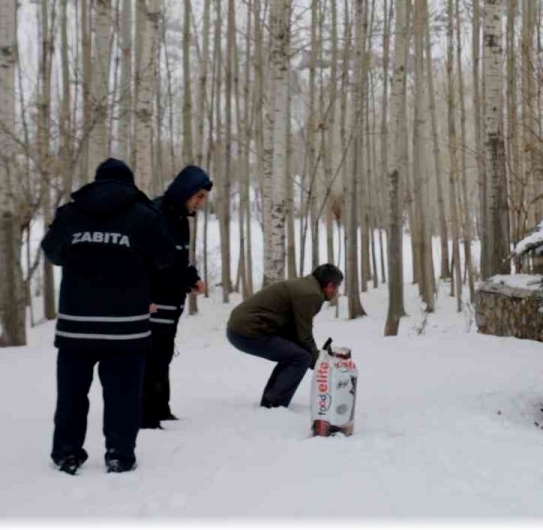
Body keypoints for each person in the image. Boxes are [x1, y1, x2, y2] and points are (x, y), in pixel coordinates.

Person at [41, 158, 175, 475]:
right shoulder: (144, 216)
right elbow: (165, 257)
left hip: (76, 327)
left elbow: (52, 252)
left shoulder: (70, 213)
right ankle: (119, 454)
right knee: (123, 396)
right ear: (128, 184)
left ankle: (66, 453)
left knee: (71, 395)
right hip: (126, 328)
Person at [142, 165, 212, 429]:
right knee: (152, 358)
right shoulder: (156, 214)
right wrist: (145, 295)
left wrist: (191, 278)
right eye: (199, 197)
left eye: (203, 198)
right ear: (186, 192)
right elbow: (147, 261)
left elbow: (178, 260)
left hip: (171, 302)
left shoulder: (181, 219)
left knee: (164, 355)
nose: (201, 203)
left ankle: (161, 408)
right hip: (155, 303)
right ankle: (146, 416)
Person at [225, 264, 343, 408]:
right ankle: (273, 405)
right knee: (300, 357)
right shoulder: (312, 294)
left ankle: (271, 401)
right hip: (248, 330)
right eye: (337, 287)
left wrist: (316, 357)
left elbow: (295, 332)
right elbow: (303, 335)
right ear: (330, 285)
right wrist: (319, 362)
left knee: (296, 354)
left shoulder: (307, 286)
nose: (336, 292)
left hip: (244, 328)